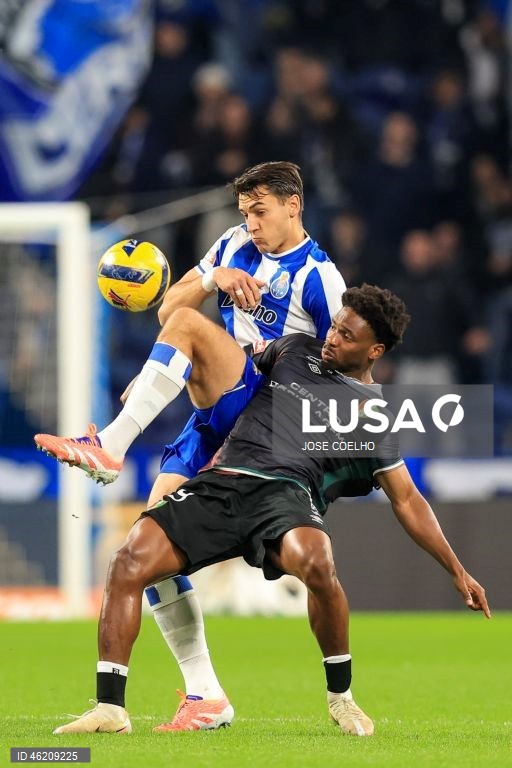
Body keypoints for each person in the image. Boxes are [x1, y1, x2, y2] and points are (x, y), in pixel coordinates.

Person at [52, 285, 490, 737]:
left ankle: (341, 698)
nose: (332, 338)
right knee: (128, 561)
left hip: (286, 497)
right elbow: (216, 363)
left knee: (318, 562)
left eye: (346, 335)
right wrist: (155, 377)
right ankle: (110, 708)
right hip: (222, 484)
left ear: (374, 350)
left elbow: (408, 500)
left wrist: (457, 571)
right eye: (335, 326)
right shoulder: (294, 348)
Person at [35, 161, 346, 730]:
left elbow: (338, 370)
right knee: (145, 551)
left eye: (260, 211)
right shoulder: (232, 246)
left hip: (268, 413)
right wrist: (213, 281)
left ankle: (110, 443)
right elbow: (167, 309)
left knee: (189, 328)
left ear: (293, 205)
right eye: (244, 212)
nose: (250, 223)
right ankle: (205, 695)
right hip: (213, 421)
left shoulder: (321, 278)